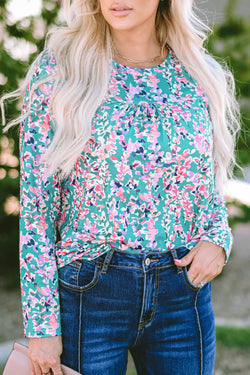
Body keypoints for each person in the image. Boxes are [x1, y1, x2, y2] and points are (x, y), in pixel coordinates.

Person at [1, 0, 241, 374]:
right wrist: (42, 326)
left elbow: (202, 180)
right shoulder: (61, 70)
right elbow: (36, 209)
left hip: (182, 292)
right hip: (91, 292)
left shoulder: (197, 73)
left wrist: (218, 236)